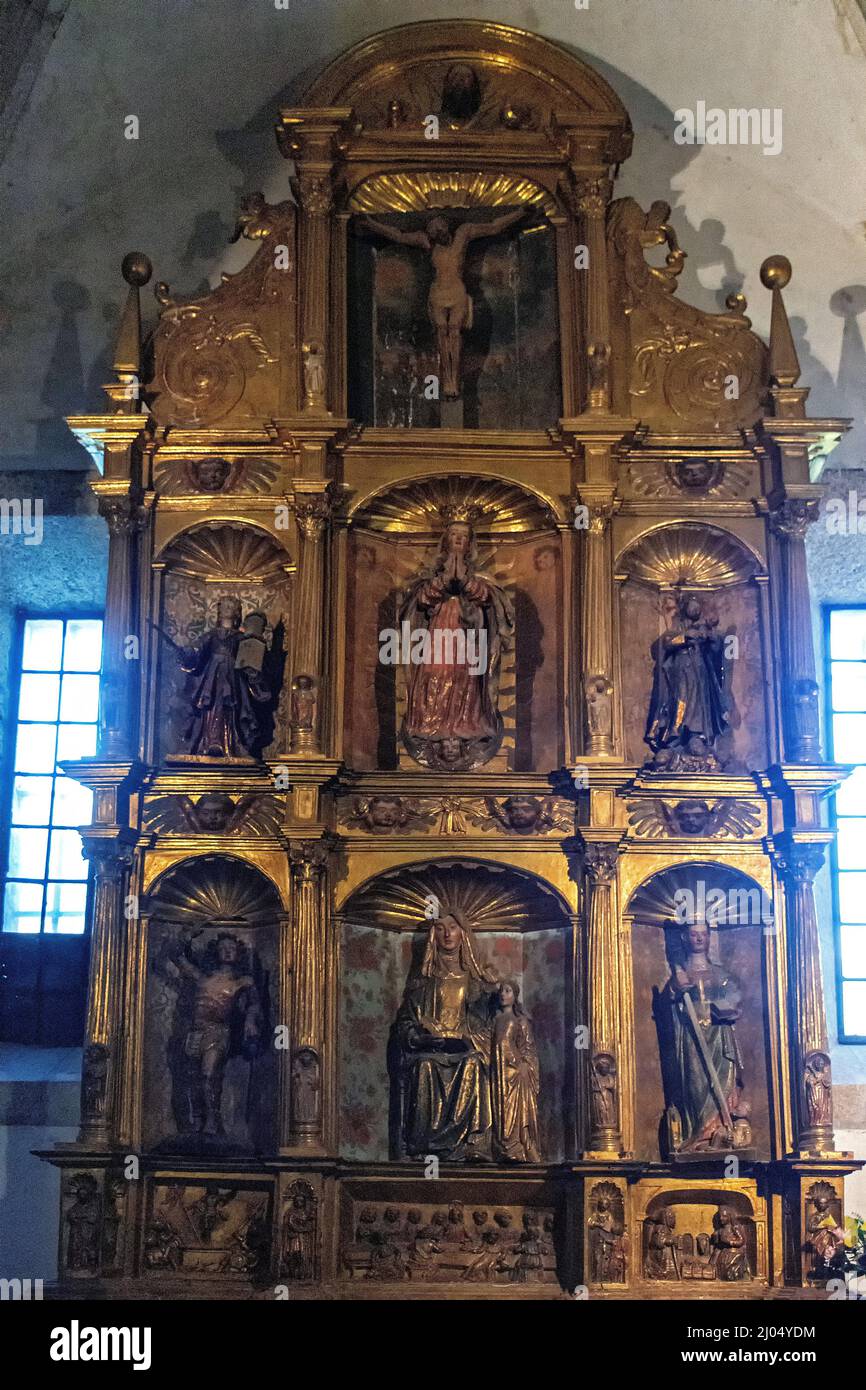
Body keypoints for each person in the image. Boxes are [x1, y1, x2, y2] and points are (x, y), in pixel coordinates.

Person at [357, 208, 526, 398]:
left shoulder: (463, 234)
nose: (437, 233)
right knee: (441, 335)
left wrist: (520, 212)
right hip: (438, 293)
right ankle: (447, 380)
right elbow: (399, 236)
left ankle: (454, 380)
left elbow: (494, 227)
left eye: (439, 228)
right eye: (433, 230)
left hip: (456, 291)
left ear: (446, 225)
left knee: (454, 331)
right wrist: (371, 223)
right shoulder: (426, 242)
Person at [399, 519, 513, 769]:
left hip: (467, 640)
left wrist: (465, 582)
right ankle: (429, 725)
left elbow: (492, 603)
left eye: (463, 536)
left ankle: (466, 725)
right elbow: (415, 604)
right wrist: (441, 583)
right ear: (446, 541)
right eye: (454, 535)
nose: (458, 540)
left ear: (470, 543)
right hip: (438, 636)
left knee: (466, 680)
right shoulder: (429, 577)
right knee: (434, 675)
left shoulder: (482, 579)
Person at [392, 910, 496, 1159]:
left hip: (464, 1050)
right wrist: (419, 1038)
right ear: (432, 935)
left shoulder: (476, 981)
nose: (447, 934)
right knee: (425, 1066)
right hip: (429, 1050)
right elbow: (405, 1024)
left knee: (472, 1063)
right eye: (440, 928)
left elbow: (491, 1024)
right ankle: (426, 1146)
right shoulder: (423, 982)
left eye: (453, 927)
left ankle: (472, 1144)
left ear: (464, 934)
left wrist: (493, 993)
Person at [489, 980, 541, 1162]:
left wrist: (525, 1065)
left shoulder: (521, 1021)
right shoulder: (495, 1020)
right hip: (497, 1071)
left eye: (508, 991)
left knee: (515, 1112)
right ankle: (500, 1146)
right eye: (502, 991)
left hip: (515, 1072)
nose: (503, 994)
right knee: (499, 1109)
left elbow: (528, 1048)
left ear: (515, 995)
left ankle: (516, 1147)